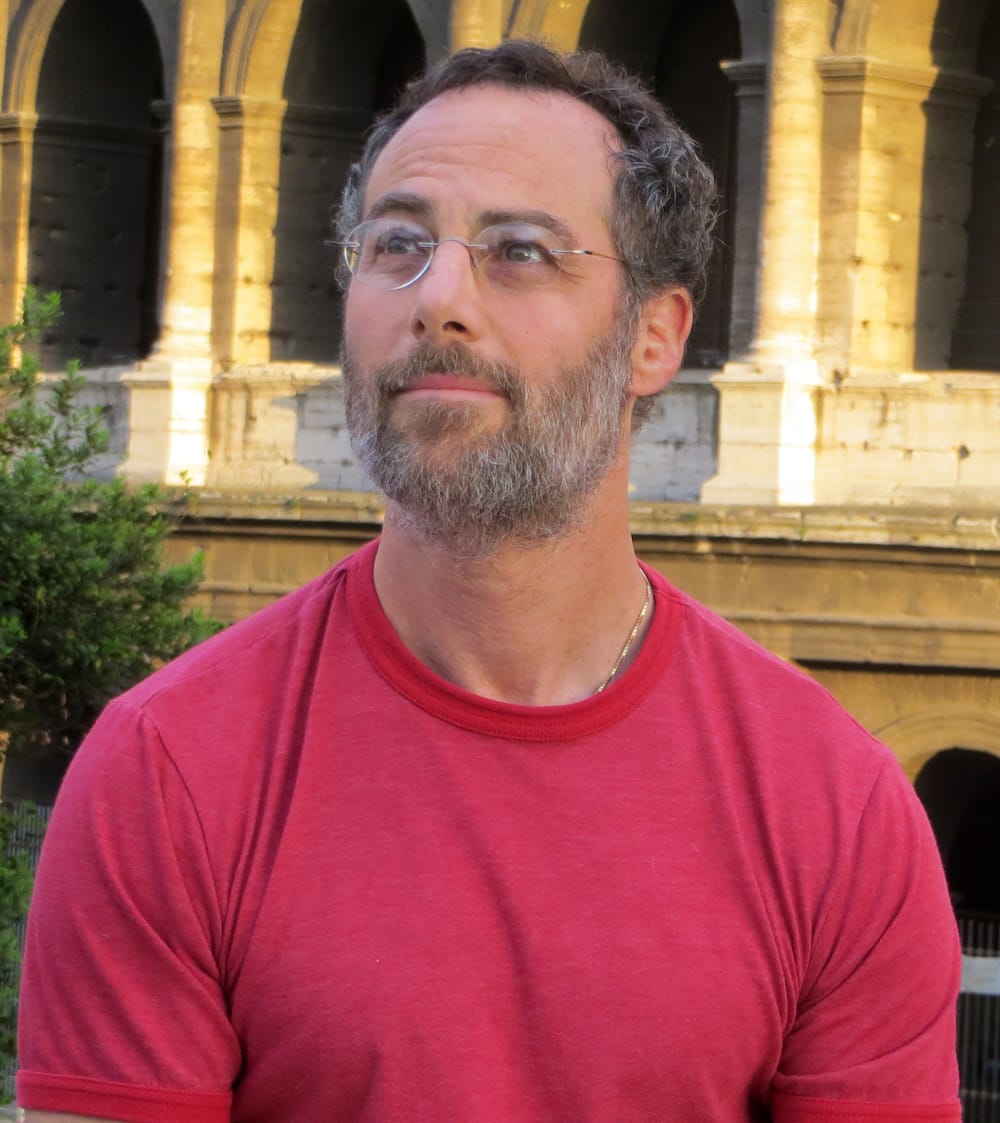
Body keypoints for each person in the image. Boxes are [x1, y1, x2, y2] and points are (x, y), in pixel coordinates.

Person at [17, 40, 961, 1123]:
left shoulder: (833, 805)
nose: (440, 299)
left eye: (519, 251)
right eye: (396, 244)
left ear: (654, 336)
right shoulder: (166, 770)